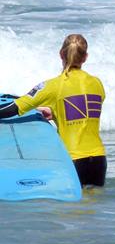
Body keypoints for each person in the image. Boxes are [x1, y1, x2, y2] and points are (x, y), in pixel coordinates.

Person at [0, 34, 107, 187]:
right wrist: (57, 113)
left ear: (61, 54)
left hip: (71, 159)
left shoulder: (53, 86)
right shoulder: (97, 83)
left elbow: (13, 108)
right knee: (91, 206)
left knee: (67, 210)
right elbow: (87, 111)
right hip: (99, 159)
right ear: (85, 57)